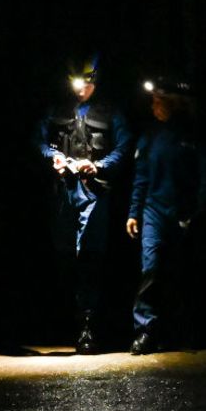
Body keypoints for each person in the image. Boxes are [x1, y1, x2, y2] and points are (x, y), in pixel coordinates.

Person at [36, 54, 131, 353]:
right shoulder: (56, 110)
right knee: (64, 257)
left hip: (94, 193)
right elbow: (37, 140)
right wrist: (52, 157)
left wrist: (98, 166)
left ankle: (89, 327)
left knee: (90, 257)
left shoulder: (110, 112)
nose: (80, 90)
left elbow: (125, 146)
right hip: (63, 192)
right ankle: (69, 321)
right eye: (76, 83)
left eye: (86, 84)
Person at [126, 76, 206, 355]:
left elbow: (205, 177)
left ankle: (191, 329)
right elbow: (141, 177)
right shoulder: (149, 136)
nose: (153, 106)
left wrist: (199, 210)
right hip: (154, 212)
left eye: (158, 101)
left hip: (183, 212)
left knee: (186, 270)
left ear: (173, 104)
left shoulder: (193, 135)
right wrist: (134, 212)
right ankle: (147, 329)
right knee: (150, 269)